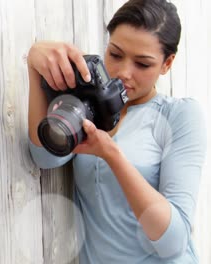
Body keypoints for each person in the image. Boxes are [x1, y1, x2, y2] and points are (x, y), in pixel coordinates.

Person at [27, 0, 207, 262]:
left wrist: (111, 154)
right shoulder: (89, 102)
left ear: (167, 64)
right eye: (115, 54)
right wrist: (34, 68)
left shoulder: (179, 116)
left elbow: (173, 242)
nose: (124, 72)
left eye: (143, 64)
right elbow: (45, 157)